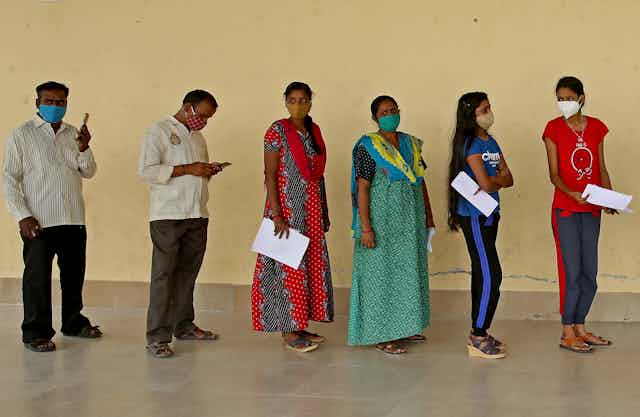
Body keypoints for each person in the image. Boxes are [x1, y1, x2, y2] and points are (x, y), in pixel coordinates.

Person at [3, 81, 102, 352]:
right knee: (37, 279)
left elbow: (89, 171)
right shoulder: (21, 135)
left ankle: (73, 322)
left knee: (73, 276)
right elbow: (9, 179)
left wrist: (84, 148)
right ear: (37, 103)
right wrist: (22, 216)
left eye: (61, 102)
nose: (55, 107)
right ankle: (35, 332)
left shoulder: (73, 134)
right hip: (39, 222)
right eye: (49, 101)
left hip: (73, 218)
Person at [139, 89, 227, 358]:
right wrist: (189, 169)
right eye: (202, 115)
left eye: (209, 118)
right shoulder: (159, 131)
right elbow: (147, 171)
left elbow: (196, 174)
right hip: (168, 216)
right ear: (188, 107)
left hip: (197, 215)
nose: (205, 122)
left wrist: (208, 171)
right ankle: (157, 337)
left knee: (188, 274)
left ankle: (184, 325)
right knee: (164, 276)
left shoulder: (198, 137)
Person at [348, 95, 434, 355]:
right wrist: (366, 227)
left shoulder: (410, 143)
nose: (391, 114)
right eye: (385, 111)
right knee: (380, 276)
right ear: (375, 118)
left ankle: (406, 326)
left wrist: (428, 215)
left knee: (407, 271)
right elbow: (362, 188)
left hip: (410, 220)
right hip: (381, 221)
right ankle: (382, 334)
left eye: (394, 109)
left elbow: (421, 180)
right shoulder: (367, 146)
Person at [251, 82, 334, 353]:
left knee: (308, 264)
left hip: (310, 209)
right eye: (293, 100)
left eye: (304, 100)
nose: (298, 105)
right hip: (286, 208)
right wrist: (276, 214)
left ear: (311, 102)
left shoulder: (313, 132)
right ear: (285, 102)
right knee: (288, 268)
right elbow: (270, 174)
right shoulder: (277, 131)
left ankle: (299, 324)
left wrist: (323, 210)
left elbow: (317, 175)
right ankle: (288, 331)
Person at [542, 76, 615, 353]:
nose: (564, 103)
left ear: (581, 98)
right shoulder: (552, 129)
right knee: (570, 272)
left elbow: (602, 168)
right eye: (559, 99)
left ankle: (580, 326)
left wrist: (609, 197)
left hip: (592, 209)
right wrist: (571, 193)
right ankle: (566, 331)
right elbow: (554, 174)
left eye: (569, 98)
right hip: (566, 209)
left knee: (589, 274)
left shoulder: (596, 128)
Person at [447, 92, 513, 359]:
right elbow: (487, 184)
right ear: (470, 116)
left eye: (489, 107)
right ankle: (478, 335)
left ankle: (481, 331)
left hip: (490, 214)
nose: (489, 113)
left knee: (485, 271)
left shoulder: (491, 141)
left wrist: (496, 180)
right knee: (490, 274)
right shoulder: (470, 145)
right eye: (483, 110)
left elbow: (509, 179)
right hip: (474, 216)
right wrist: (496, 180)